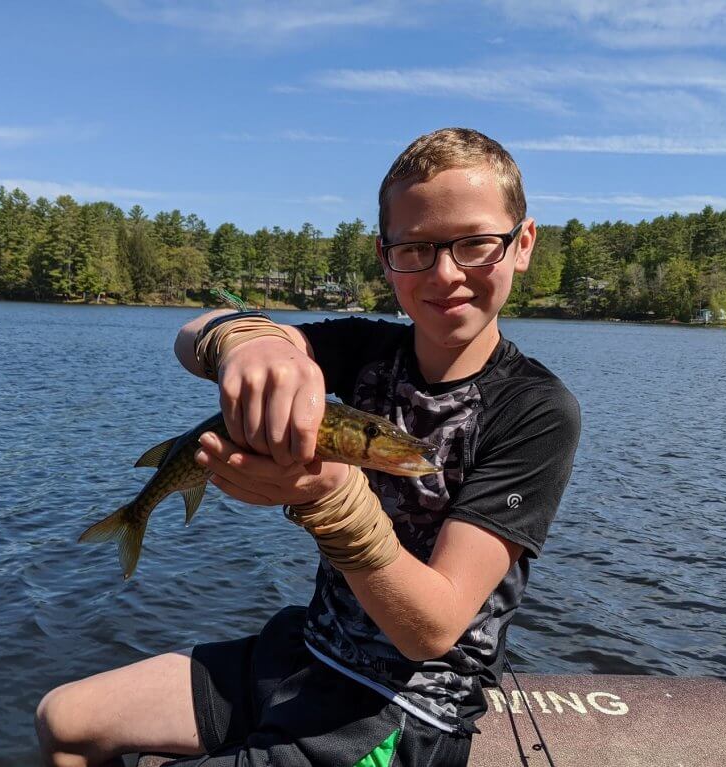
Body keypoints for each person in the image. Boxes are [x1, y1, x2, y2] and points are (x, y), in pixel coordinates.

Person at [36, 127, 581, 767]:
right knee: (63, 719)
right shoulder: (360, 351)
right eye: (416, 249)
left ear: (522, 244)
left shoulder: (535, 411)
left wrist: (337, 505)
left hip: (406, 706)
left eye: (474, 244)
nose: (445, 273)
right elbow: (192, 336)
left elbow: (432, 631)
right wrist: (249, 341)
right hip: (306, 649)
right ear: (386, 257)